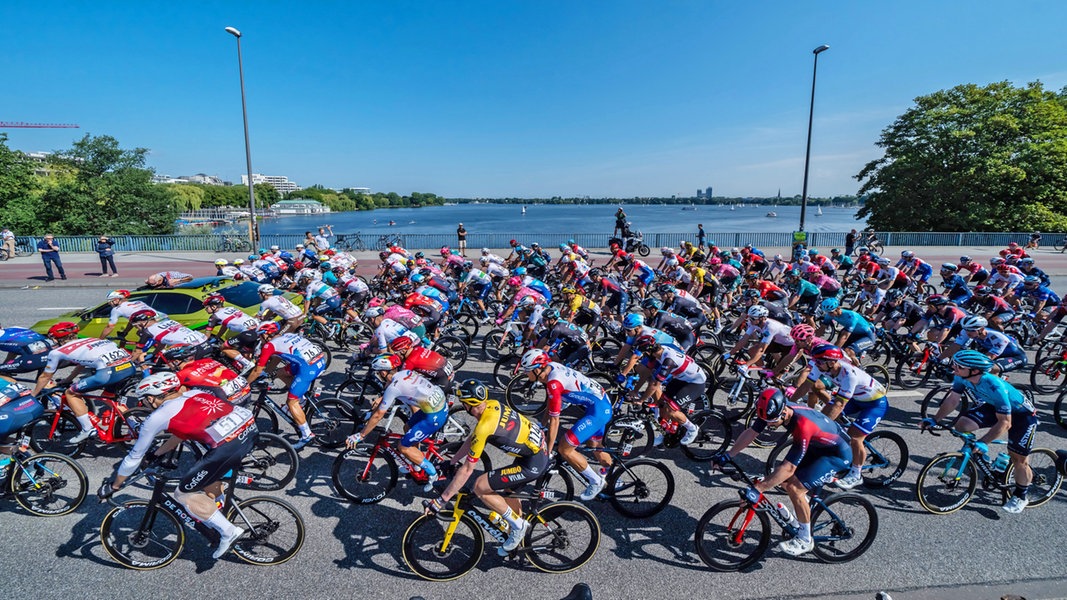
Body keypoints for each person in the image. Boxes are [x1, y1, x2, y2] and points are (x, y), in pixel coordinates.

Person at [97, 372, 256, 560]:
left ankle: (228, 531)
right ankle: (219, 508)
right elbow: (181, 433)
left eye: (143, 401)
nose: (143, 404)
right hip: (249, 428)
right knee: (203, 474)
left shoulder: (157, 417)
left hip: (228, 445)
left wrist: (114, 486)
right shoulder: (194, 393)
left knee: (183, 493)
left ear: (151, 398)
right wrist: (157, 453)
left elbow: (134, 457)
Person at [715, 388, 852, 556]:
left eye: (772, 421)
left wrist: (759, 489)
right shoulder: (773, 410)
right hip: (817, 446)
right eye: (766, 421)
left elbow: (788, 468)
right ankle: (801, 518)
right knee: (785, 482)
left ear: (783, 412)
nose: (769, 425)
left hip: (836, 454)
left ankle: (805, 539)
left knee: (795, 488)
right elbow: (751, 432)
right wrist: (728, 455)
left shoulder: (803, 425)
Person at [427, 379, 549, 552]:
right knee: (509, 493)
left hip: (532, 462)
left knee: (480, 486)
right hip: (532, 453)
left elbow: (468, 469)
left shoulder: (484, 427)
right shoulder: (492, 404)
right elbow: (472, 440)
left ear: (469, 405)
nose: (462, 405)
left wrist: (442, 500)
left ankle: (518, 526)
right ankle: (516, 532)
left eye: (463, 402)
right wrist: (452, 461)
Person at [921, 350, 1039, 513]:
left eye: (959, 367)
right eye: (955, 365)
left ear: (974, 370)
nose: (954, 369)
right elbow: (953, 399)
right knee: (962, 424)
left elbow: (1005, 422)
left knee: (1019, 460)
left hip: (1022, 416)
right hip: (993, 406)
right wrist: (935, 420)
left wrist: (984, 441)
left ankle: (1021, 496)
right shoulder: (962, 376)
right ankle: (984, 460)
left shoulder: (993, 384)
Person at [345, 354, 449, 489]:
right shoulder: (403, 373)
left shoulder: (394, 387)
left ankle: (432, 472)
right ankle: (416, 464)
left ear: (383, 372)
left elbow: (379, 415)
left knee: (403, 447)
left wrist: (361, 435)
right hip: (436, 406)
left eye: (378, 373)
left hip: (434, 415)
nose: (378, 376)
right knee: (407, 428)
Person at [521, 349, 612, 501]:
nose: (525, 373)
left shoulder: (553, 383)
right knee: (595, 447)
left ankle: (596, 481)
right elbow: (552, 404)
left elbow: (555, 420)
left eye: (527, 370)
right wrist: (542, 425)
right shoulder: (551, 367)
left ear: (537, 369)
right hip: (600, 403)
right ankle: (613, 477)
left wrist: (548, 452)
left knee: (564, 448)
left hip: (598, 410)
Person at [31, 322, 137, 443]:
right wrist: (68, 379)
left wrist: (34, 395)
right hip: (129, 367)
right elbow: (83, 363)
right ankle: (134, 423)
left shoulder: (57, 352)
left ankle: (87, 429)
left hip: (108, 373)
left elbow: (45, 376)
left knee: (70, 393)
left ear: (55, 339)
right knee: (109, 397)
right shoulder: (91, 340)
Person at [245, 322, 325, 450]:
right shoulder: (287, 335)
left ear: (265, 335)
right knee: (281, 372)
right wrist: (269, 373)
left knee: (291, 401)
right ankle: (302, 400)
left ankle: (306, 435)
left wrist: (245, 385)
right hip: (319, 360)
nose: (260, 339)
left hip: (308, 367)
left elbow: (257, 371)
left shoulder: (269, 346)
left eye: (260, 336)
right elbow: (276, 359)